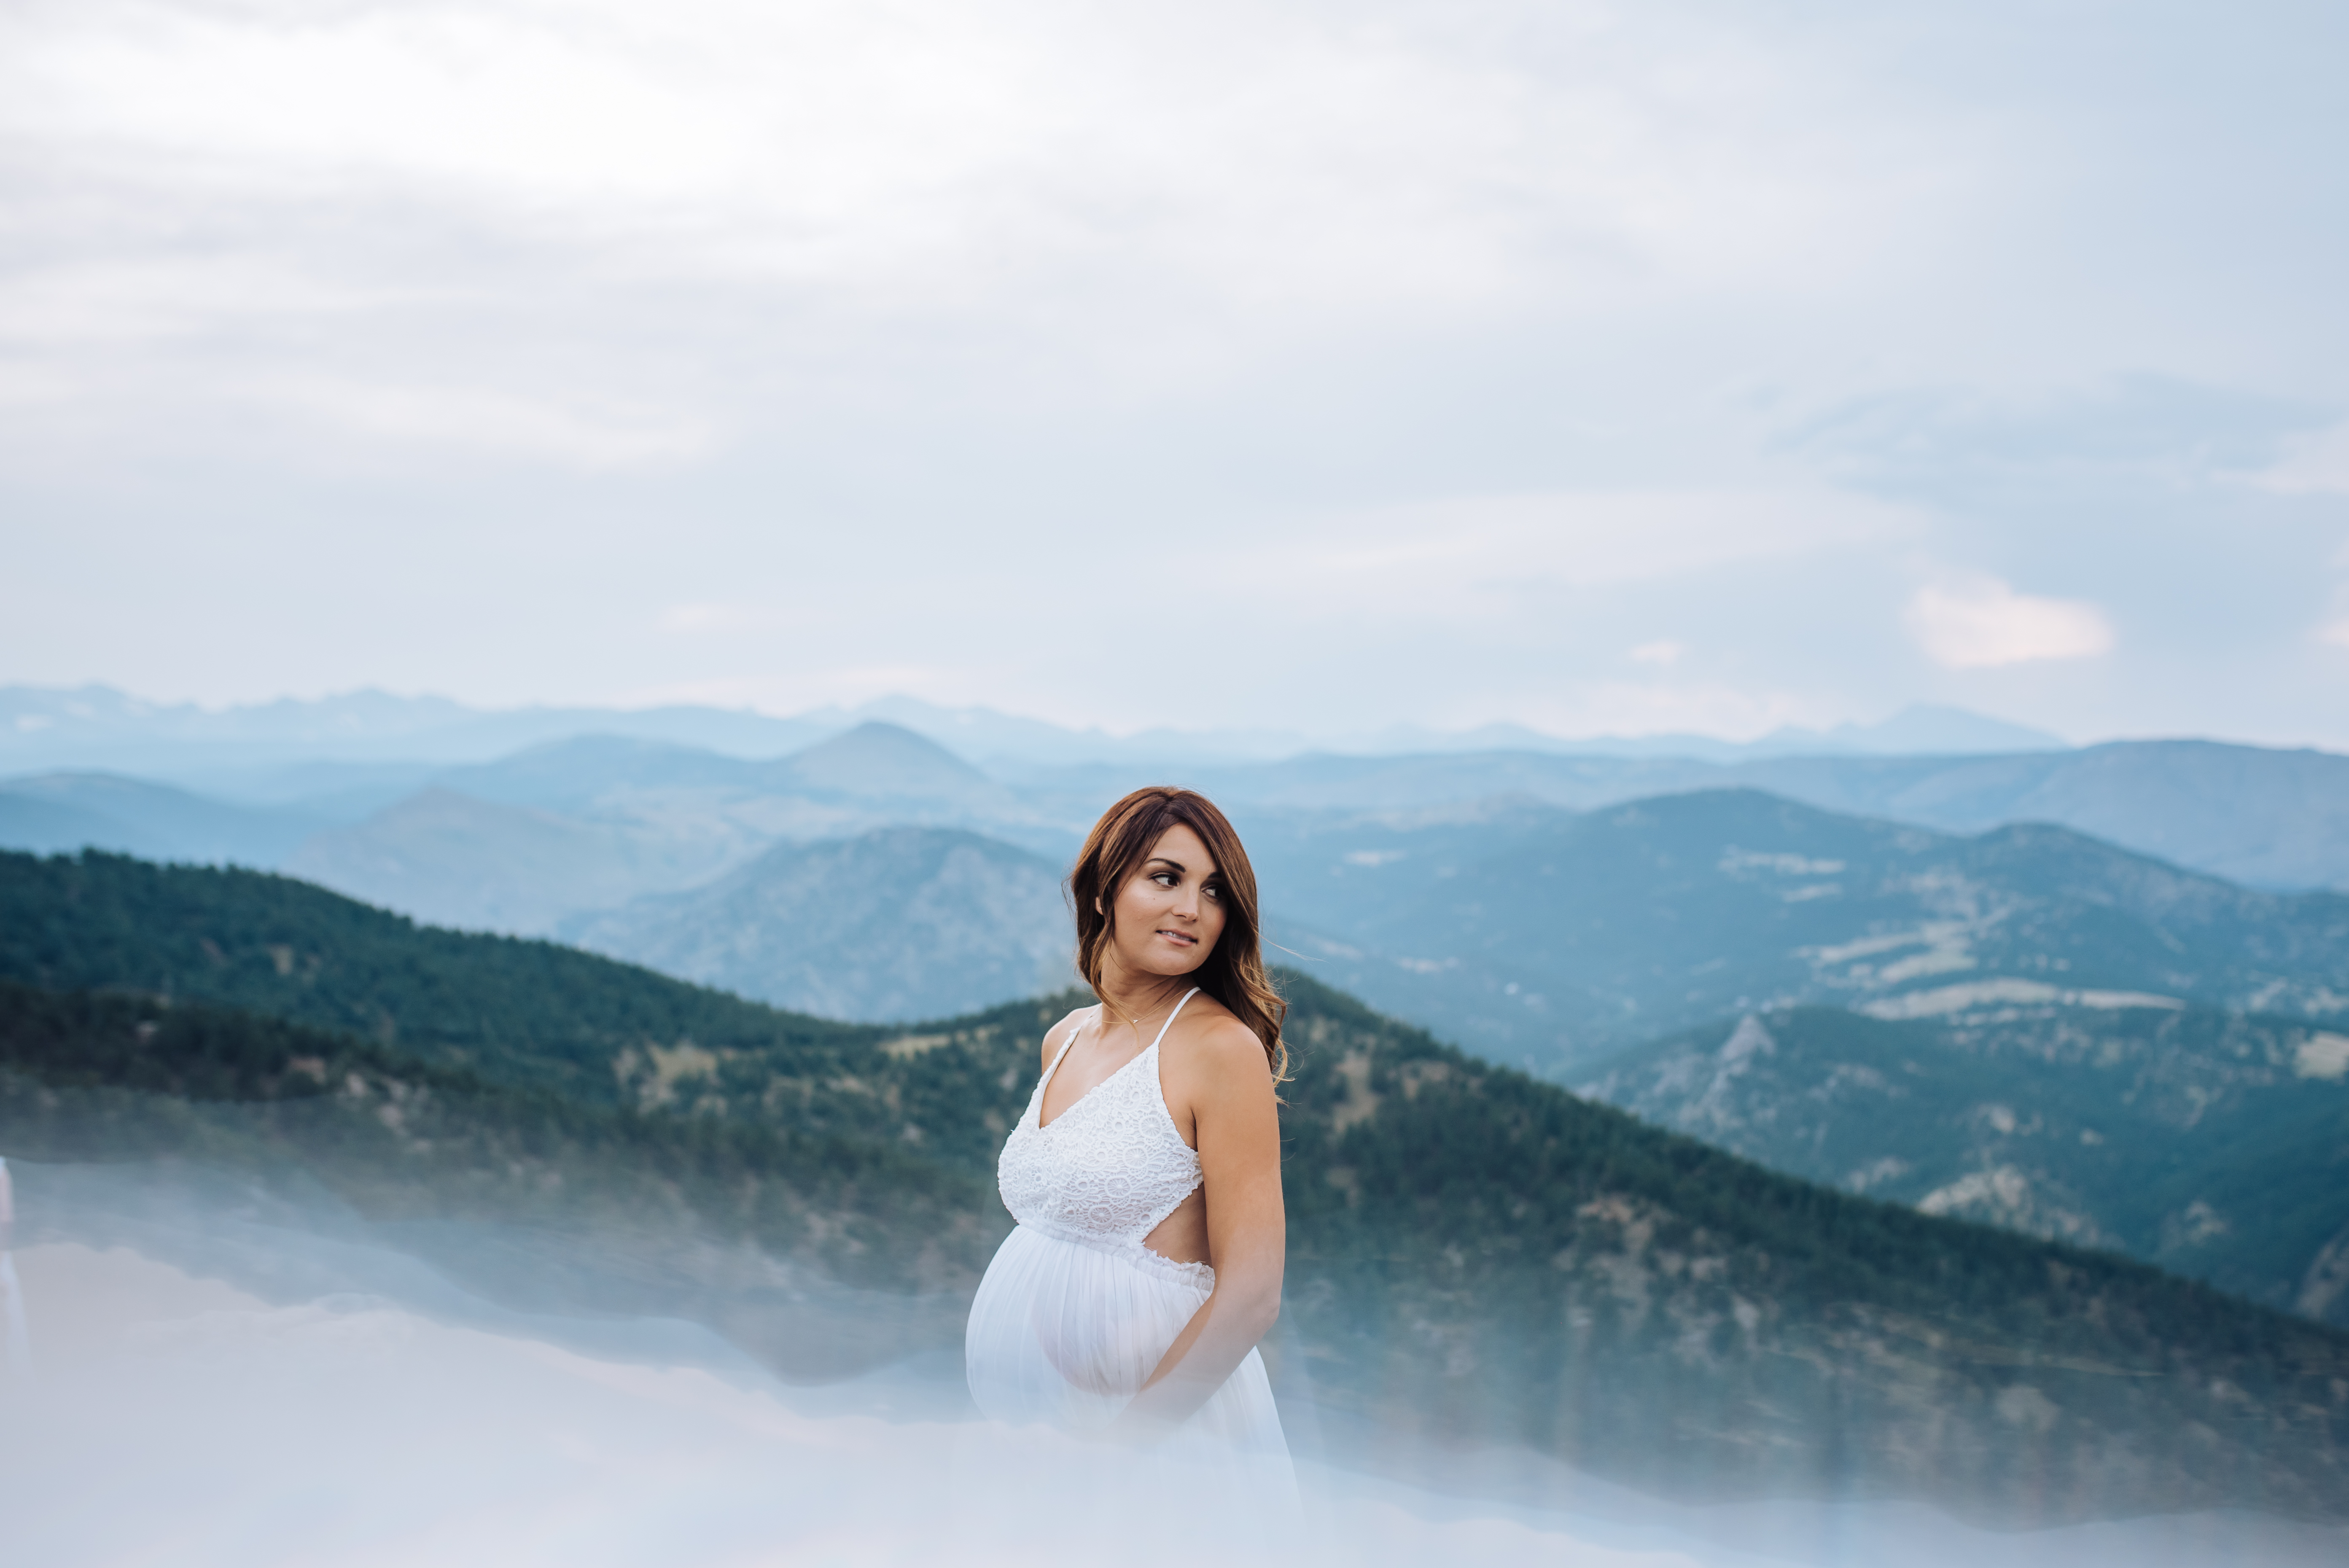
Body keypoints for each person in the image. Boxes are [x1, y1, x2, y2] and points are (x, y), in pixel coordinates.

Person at [963, 785, 1295, 1511]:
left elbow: (1252, 1294)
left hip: (1155, 1453)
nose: (1191, 909)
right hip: (1034, 1446)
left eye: (1214, 892)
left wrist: (1121, 1454)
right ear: (1105, 887)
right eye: (1165, 877)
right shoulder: (1067, 1037)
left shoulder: (1220, 1050)